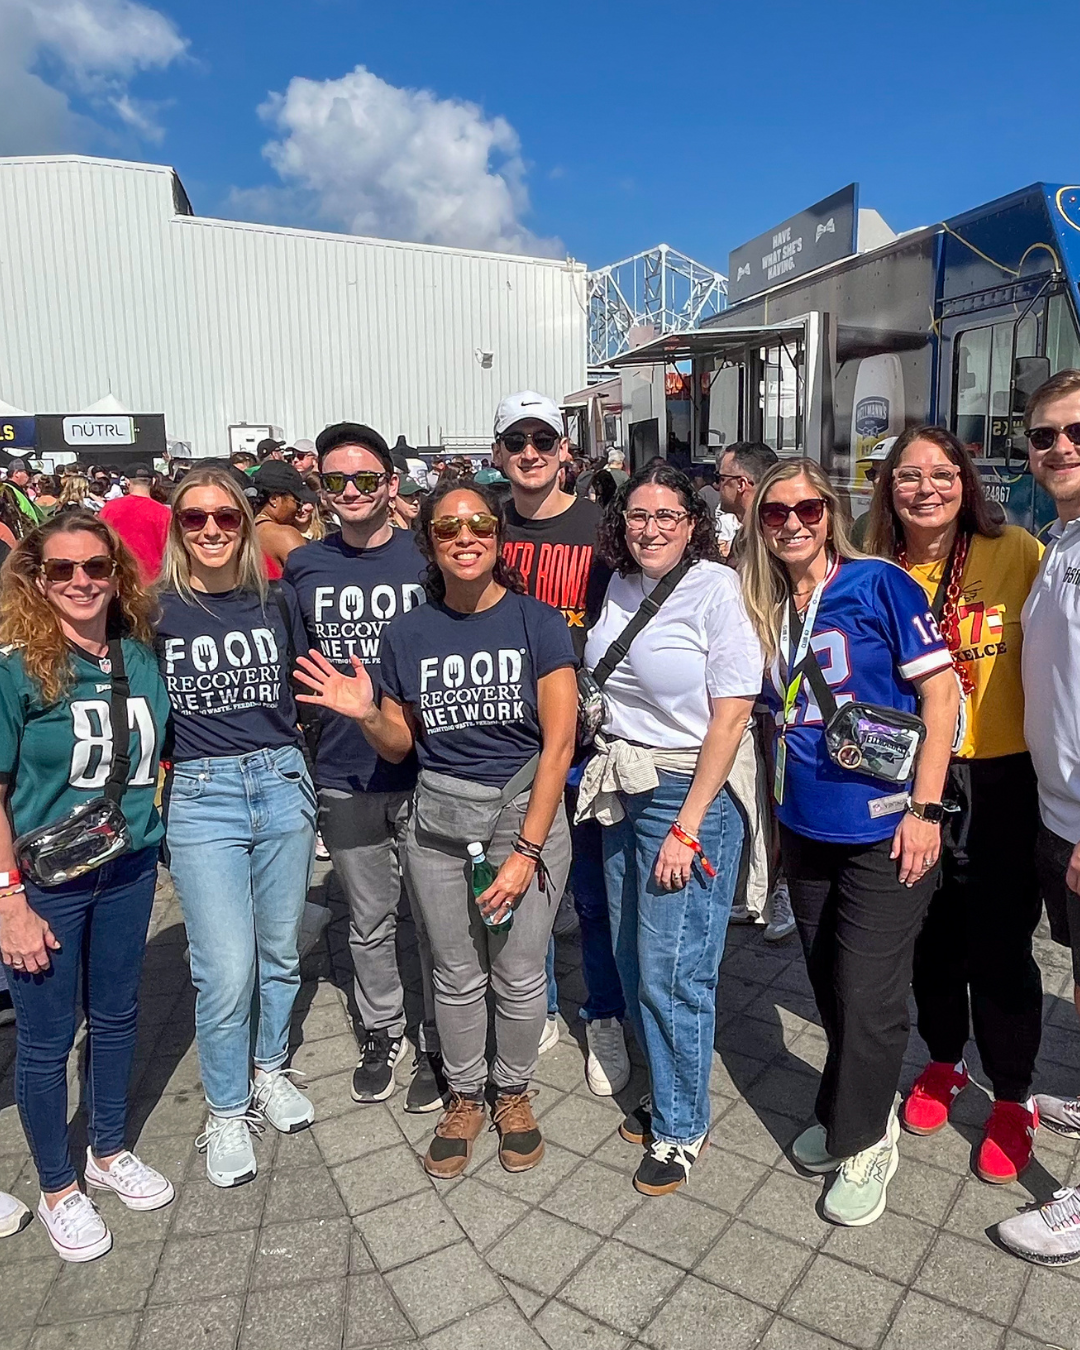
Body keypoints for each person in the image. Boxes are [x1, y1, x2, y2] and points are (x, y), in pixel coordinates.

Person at [296, 479, 577, 1179]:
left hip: (524, 815)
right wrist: (365, 712)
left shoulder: (537, 623)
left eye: (479, 522)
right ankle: (465, 1095)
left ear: (498, 535)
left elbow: (560, 747)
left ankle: (512, 1091)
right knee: (454, 973)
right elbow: (399, 746)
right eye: (448, 529)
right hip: (439, 822)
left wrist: (526, 854)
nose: (466, 537)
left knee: (514, 974)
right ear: (430, 542)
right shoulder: (408, 633)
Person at [742, 457, 958, 1226]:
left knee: (868, 992)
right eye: (775, 513)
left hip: (884, 824)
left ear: (829, 512)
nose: (793, 524)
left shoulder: (878, 584)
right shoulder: (764, 602)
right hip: (804, 825)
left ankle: (869, 1135)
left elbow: (941, 692)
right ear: (759, 526)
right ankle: (845, 1106)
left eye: (807, 509)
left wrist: (926, 811)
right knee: (830, 980)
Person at [864, 426, 1044, 1184]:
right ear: (887, 489)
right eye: (909, 476)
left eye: (942, 473)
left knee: (1000, 943)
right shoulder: (876, 569)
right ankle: (943, 1062)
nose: (927, 488)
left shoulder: (1020, 553)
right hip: (911, 779)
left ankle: (1014, 1095)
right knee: (929, 935)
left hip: (1002, 777)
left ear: (967, 481)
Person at [578, 462, 762, 1194]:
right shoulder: (620, 583)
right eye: (639, 515)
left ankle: (683, 1127)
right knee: (631, 955)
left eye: (668, 517)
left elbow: (733, 713)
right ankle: (666, 1090)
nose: (651, 529)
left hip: (690, 793)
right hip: (626, 784)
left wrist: (689, 826)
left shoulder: (718, 591)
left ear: (694, 525)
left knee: (674, 969)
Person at [0, 512, 173, 1260]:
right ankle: (56, 1188)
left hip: (128, 866)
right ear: (38, 579)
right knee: (43, 1042)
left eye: (95, 568)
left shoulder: (138, 655)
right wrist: (7, 900)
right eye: (62, 570)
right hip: (46, 882)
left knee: (117, 1014)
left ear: (116, 574)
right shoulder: (16, 669)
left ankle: (106, 1150)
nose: (80, 582)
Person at [156, 467, 316, 1187]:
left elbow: (309, 688)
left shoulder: (276, 600)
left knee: (279, 950)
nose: (213, 530)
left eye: (226, 517)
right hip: (201, 791)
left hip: (281, 780)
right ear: (177, 529)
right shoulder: (155, 611)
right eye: (196, 519)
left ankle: (269, 1068)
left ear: (246, 526)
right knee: (226, 969)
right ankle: (224, 1107)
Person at [283, 423, 439, 1110]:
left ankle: (439, 1036)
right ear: (320, 488)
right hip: (344, 772)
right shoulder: (305, 567)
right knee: (370, 919)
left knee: (439, 919)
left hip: (427, 768)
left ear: (391, 486)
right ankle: (382, 1029)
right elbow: (289, 663)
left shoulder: (427, 559)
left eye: (366, 479)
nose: (350, 491)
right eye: (336, 480)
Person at [492, 390, 629, 1097]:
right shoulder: (483, 526)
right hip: (508, 734)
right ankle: (536, 1003)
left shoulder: (602, 528)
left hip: (589, 736)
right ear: (498, 454)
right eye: (516, 441)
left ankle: (603, 1013)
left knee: (596, 892)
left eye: (543, 439)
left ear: (564, 450)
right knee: (525, 878)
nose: (530, 453)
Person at [998, 369, 1080, 1265]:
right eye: (1045, 435)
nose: (1060, 448)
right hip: (1057, 808)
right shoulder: (1059, 537)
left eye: (1076, 432)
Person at [99, 462, 171, 585]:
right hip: (154, 581)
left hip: (119, 580)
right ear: (153, 482)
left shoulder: (110, 508)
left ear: (127, 482)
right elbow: (170, 550)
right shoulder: (165, 513)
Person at [713, 441, 779, 558]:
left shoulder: (768, 539)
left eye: (721, 478)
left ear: (741, 484)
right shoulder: (744, 536)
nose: (717, 486)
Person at [250, 461, 314, 579]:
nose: (298, 510)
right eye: (297, 502)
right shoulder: (285, 535)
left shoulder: (245, 532)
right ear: (274, 499)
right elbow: (311, 582)